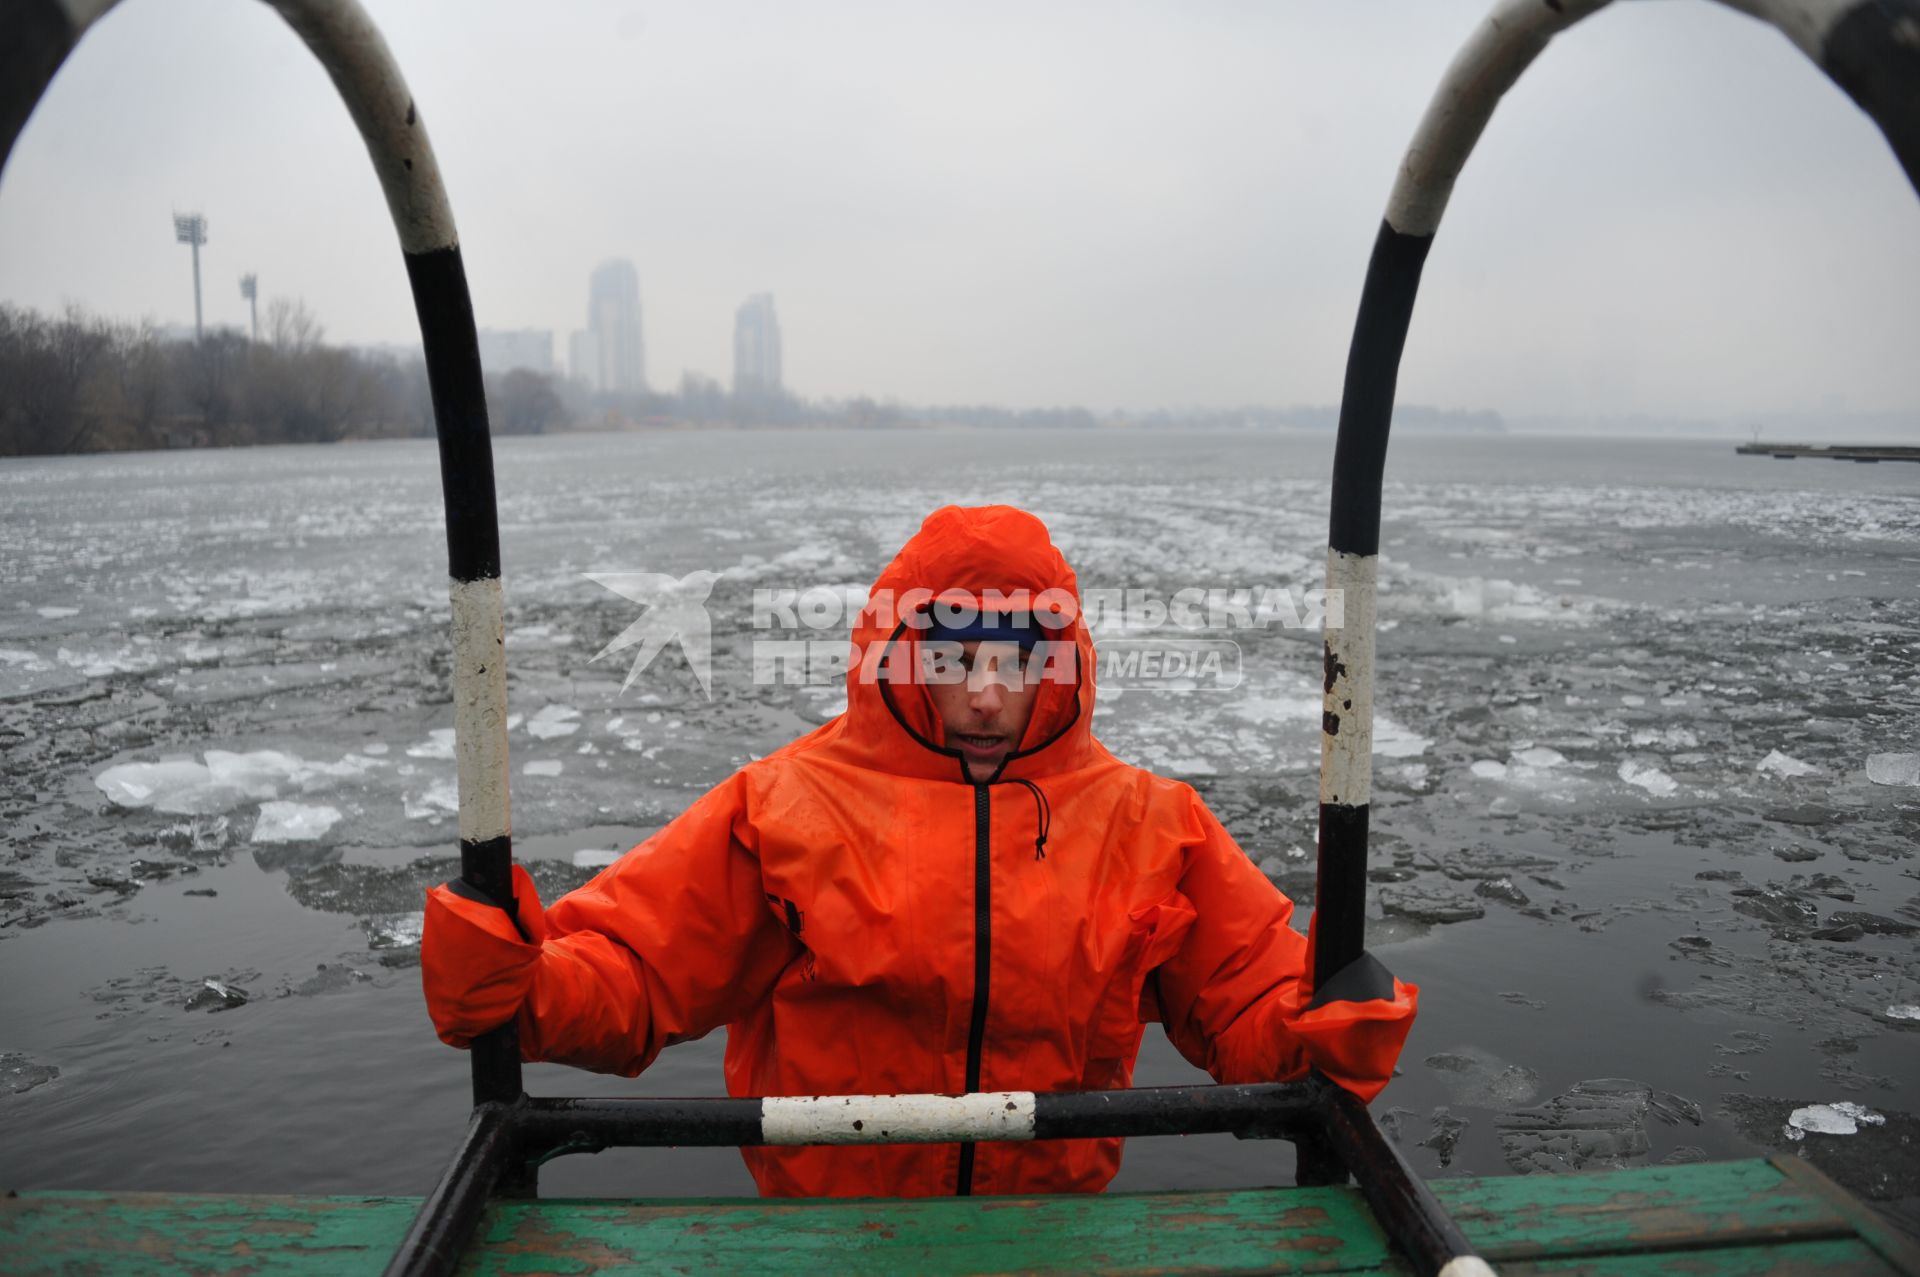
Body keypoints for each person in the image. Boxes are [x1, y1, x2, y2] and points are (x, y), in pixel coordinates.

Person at [422, 503, 1416, 1198]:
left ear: (1059, 666)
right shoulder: (782, 809)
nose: (986, 692)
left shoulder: (1149, 824)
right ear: (899, 657)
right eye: (952, 658)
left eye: (1017, 658)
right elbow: (638, 971)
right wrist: (521, 983)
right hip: (832, 1237)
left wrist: (1322, 1014)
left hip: (1052, 1237)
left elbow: (1241, 998)